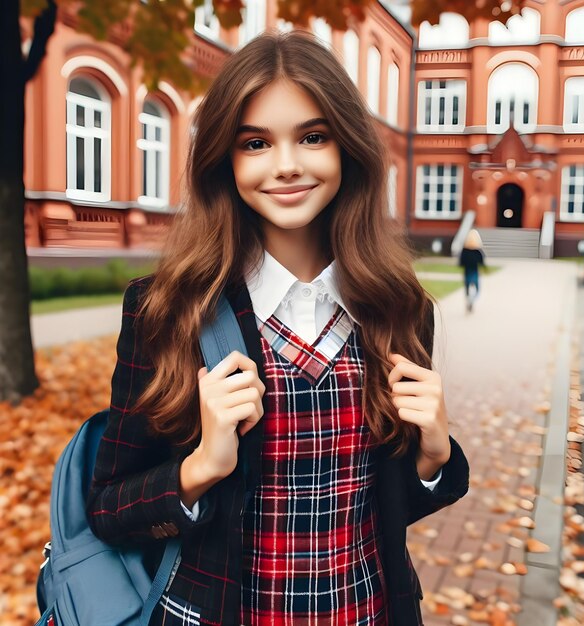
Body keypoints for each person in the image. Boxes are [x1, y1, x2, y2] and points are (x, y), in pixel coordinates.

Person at [86, 30, 469, 626]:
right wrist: (200, 468)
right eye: (256, 143)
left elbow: (385, 510)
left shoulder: (397, 307)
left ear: (347, 148)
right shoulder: (168, 310)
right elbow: (109, 508)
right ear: (224, 160)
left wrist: (434, 453)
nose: (287, 165)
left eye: (313, 137)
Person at [459, 229, 486, 313]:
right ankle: (472, 300)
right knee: (477, 289)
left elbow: (461, 263)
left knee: (467, 288)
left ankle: (468, 299)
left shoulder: (464, 251)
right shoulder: (478, 251)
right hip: (475, 271)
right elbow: (482, 262)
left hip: (467, 271)